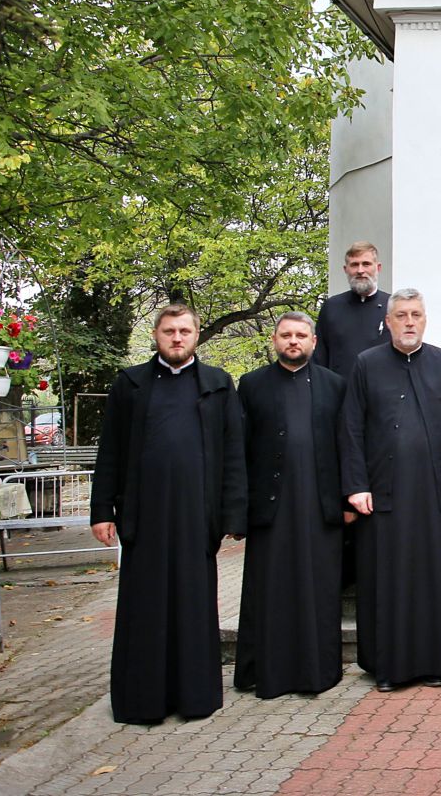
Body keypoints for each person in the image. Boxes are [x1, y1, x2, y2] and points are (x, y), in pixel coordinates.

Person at [91, 303, 246, 725]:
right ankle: (143, 700)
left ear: (197, 335)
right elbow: (111, 452)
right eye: (168, 331)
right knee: (145, 607)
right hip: (145, 515)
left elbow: (233, 453)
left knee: (194, 605)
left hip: (198, 517)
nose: (177, 338)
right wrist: (102, 509)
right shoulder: (131, 384)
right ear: (156, 336)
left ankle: (195, 697)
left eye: (184, 331)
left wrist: (234, 516)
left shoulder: (217, 383)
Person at [341, 288, 441, 691]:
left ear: (425, 320)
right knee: (387, 580)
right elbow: (351, 428)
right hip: (383, 493)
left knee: (433, 580)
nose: (409, 321)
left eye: (415, 314)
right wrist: (356, 485)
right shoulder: (366, 364)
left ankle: (434, 664)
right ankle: (387, 667)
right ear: (388, 322)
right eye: (401, 315)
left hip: (434, 494)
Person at [234, 312, 350, 698]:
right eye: (287, 335)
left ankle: (318, 672)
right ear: (274, 339)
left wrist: (349, 496)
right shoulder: (251, 385)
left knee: (318, 590)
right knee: (269, 591)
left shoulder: (335, 386)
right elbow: (239, 451)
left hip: (320, 506)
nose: (294, 341)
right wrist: (238, 509)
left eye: (301, 335)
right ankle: (268, 672)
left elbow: (348, 445)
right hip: (271, 507)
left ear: (314, 342)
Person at [312, 241, 391, 379]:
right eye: (354, 264)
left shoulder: (393, 307)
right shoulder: (331, 307)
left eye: (366, 264)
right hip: (339, 395)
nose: (360, 270)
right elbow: (319, 360)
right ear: (345, 269)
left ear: (378, 268)